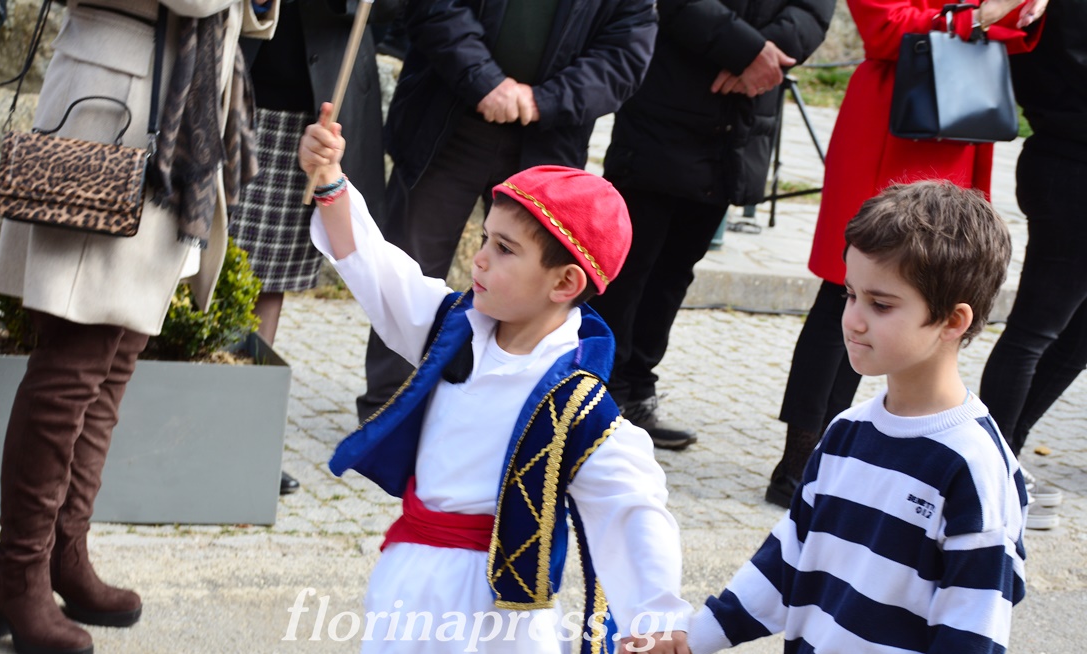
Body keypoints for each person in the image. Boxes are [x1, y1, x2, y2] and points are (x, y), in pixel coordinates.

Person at [299, 107, 692, 654]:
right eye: (486, 238)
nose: (479, 258)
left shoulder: (578, 402)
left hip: (474, 594)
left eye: (506, 250)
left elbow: (634, 507)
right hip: (415, 572)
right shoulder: (454, 326)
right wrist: (331, 183)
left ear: (564, 284)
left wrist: (656, 613)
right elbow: (382, 273)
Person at [687, 181, 1027, 654]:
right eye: (850, 294)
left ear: (952, 321)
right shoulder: (846, 432)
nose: (853, 318)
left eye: (881, 303)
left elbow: (974, 630)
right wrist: (694, 637)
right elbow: (788, 559)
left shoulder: (973, 467)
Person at [0, 0, 279, 654]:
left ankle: (61, 553)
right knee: (74, 363)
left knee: (115, 357)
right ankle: (18, 572)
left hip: (173, 108)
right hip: (114, 106)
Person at [764, 0, 1045, 507]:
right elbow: (885, 27)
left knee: (920, 297)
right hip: (892, 120)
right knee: (845, 295)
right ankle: (799, 461)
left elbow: (1009, 24)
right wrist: (981, 16)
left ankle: (865, 450)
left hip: (955, 115)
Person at [356, 0, 659, 422]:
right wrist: (485, 82)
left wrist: (541, 101)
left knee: (531, 287)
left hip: (548, 140)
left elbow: (623, 58)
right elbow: (436, 8)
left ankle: (507, 414)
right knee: (411, 266)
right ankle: (389, 412)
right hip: (449, 121)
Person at [593, 0, 834, 451]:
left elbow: (814, 10)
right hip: (667, 102)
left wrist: (763, 57)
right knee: (627, 264)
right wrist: (745, 51)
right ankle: (598, 392)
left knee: (675, 270)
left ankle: (637, 391)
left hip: (738, 122)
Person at [230, 0, 398, 495]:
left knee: (266, 281)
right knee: (184, 264)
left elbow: (396, 9)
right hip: (220, 84)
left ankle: (243, 446)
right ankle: (158, 423)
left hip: (308, 112)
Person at [978, 0, 1087, 512]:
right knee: (1035, 330)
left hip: (1063, 163)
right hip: (1070, 167)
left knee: (1077, 335)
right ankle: (985, 468)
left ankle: (1004, 453)